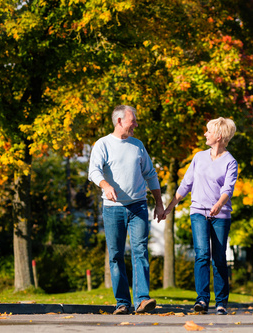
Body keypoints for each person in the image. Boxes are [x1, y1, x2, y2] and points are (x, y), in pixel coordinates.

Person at [88, 105, 164, 315]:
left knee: (140, 251)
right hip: (113, 209)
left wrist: (158, 203)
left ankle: (142, 300)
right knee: (116, 254)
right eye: (133, 120)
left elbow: (151, 174)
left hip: (138, 206)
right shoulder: (102, 144)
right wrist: (105, 185)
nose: (136, 124)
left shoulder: (138, 145)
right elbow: (93, 171)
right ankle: (122, 302)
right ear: (120, 121)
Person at [163, 117, 238, 315]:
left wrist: (219, 204)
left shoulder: (230, 162)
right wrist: (170, 206)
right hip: (198, 212)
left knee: (219, 258)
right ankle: (202, 300)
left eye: (208, 131)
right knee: (202, 254)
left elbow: (228, 189)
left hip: (220, 215)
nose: (205, 134)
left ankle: (221, 302)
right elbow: (186, 183)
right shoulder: (198, 157)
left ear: (219, 136)